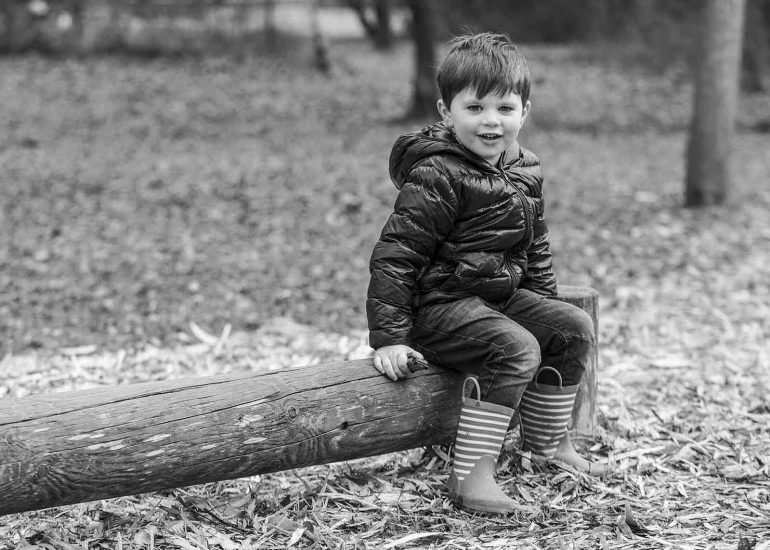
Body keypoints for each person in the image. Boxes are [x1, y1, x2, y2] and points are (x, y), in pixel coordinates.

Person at [366, 32, 604, 515]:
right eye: (474, 108)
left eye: (504, 108)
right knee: (516, 347)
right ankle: (471, 477)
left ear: (525, 111)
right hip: (438, 308)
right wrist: (388, 338)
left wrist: (546, 306)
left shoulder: (525, 167)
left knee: (572, 328)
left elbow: (534, 244)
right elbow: (396, 255)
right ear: (445, 111)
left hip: (494, 298)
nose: (491, 121)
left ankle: (546, 445)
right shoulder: (438, 174)